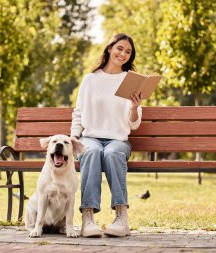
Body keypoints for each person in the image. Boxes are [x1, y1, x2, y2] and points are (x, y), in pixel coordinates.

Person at [70, 33, 142, 238]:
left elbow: (134, 124)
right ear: (110, 48)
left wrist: (135, 107)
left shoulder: (131, 81)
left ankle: (121, 218)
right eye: (120, 48)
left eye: (128, 51)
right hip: (90, 137)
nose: (123, 54)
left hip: (118, 140)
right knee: (91, 151)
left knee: (111, 153)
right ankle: (88, 218)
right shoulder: (91, 80)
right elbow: (79, 112)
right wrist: (74, 136)